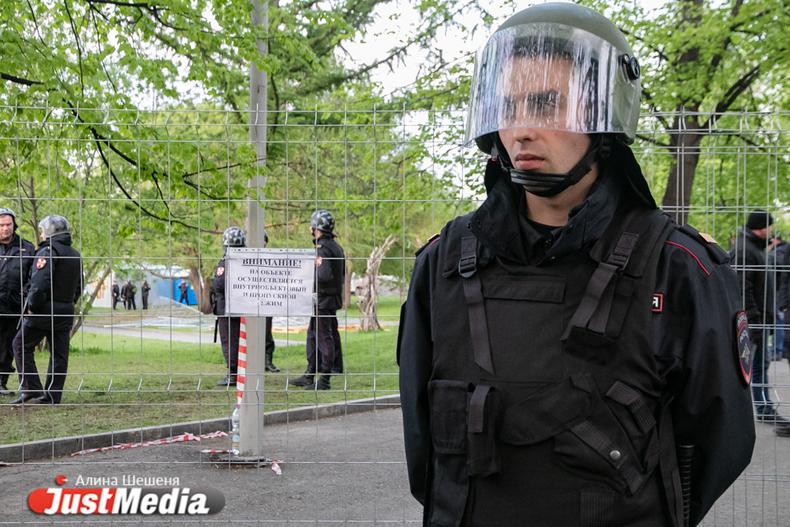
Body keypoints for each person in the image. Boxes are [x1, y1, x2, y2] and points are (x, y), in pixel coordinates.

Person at [398, 4, 755, 526]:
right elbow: (423, 441)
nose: (521, 130)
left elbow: (715, 444)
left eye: (546, 104)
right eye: (509, 106)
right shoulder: (444, 263)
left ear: (604, 114)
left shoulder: (677, 268)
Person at [9, 215, 82, 405]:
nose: (41, 234)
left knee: (20, 344)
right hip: (65, 311)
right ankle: (53, 395)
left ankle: (31, 387)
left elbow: (40, 284)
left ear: (50, 232)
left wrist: (32, 306)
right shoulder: (74, 254)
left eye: (42, 230)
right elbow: (79, 286)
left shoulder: (47, 251)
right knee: (59, 354)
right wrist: (67, 303)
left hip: (44, 311)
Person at [731, 212, 787, 430]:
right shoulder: (746, 250)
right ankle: (761, 409)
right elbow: (742, 288)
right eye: (770, 227)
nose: (772, 231)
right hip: (754, 322)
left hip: (760, 320)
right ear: (762, 227)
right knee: (750, 369)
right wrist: (753, 321)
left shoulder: (754, 248)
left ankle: (763, 408)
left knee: (758, 366)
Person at [289, 210, 345, 390]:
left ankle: (324, 380)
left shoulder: (323, 249)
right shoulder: (336, 247)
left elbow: (323, 274)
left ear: (315, 228)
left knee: (323, 337)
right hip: (328, 299)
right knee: (313, 335)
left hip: (323, 299)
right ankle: (310, 373)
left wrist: (305, 279)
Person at [0, 208, 35, 396]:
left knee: (8, 346)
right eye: (2, 225)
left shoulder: (26, 248)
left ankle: (1, 381)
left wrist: (28, 299)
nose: (6, 229)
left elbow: (34, 277)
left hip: (15, 307)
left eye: (9, 225)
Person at [768, 235, 788, 362]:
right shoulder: (784, 250)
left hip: (778, 292)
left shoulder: (778, 252)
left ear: (776, 240)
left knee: (778, 321)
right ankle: (779, 350)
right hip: (781, 292)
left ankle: (777, 350)